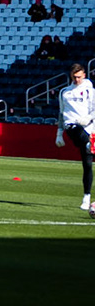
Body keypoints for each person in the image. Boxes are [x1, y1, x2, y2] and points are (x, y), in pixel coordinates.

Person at [58, 63, 95, 214]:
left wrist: (88, 118)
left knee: (87, 164)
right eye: (74, 77)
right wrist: (59, 133)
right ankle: (89, 144)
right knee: (78, 133)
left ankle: (86, 197)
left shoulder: (90, 91)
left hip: (89, 127)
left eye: (79, 77)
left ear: (84, 75)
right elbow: (61, 113)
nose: (77, 80)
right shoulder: (64, 92)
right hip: (71, 126)